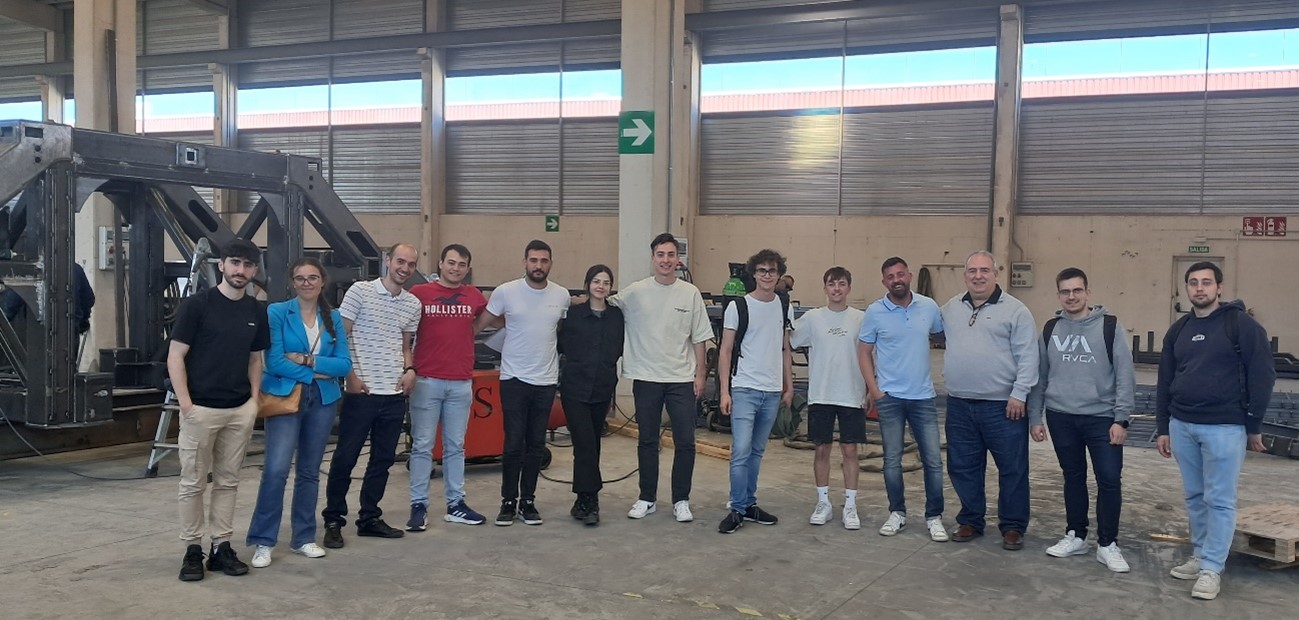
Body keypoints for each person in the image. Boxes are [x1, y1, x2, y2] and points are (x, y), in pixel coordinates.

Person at [1156, 261, 1275, 601]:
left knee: (1219, 499)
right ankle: (1200, 554)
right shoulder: (1178, 330)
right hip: (1183, 425)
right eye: (1193, 282)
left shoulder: (1242, 326)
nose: (1199, 288)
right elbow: (1165, 380)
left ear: (1219, 287)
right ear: (1186, 288)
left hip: (1224, 427)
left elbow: (1263, 375)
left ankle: (1212, 568)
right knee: (1195, 496)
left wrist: (1253, 425)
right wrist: (1164, 426)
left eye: (1206, 282)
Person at [167, 238, 269, 582]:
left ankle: (221, 547)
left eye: (248, 265)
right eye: (235, 263)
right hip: (201, 410)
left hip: (238, 410)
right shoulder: (198, 305)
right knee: (193, 483)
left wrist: (253, 401)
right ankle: (192, 550)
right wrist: (186, 405)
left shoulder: (256, 311)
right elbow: (176, 356)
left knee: (228, 482)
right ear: (222, 265)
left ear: (254, 270)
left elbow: (255, 359)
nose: (241, 270)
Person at [1027, 267, 1136, 573]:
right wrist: (1036, 417)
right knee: (1073, 477)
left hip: (1102, 418)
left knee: (1109, 479)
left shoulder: (1110, 327)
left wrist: (1121, 419)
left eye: (1077, 290)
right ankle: (1076, 535)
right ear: (1058, 295)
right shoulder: (1051, 329)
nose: (1071, 296)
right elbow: (1040, 377)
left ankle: (1107, 544)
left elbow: (1125, 376)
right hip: (1061, 417)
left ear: (1088, 293)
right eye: (1065, 291)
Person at [246, 258, 352, 568]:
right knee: (276, 469)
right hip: (285, 397)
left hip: (323, 400)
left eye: (313, 277)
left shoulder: (333, 317)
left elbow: (344, 364)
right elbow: (275, 361)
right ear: (293, 282)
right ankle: (264, 541)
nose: (307, 283)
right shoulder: (277, 312)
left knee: (309, 471)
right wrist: (315, 373)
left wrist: (307, 361)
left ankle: (304, 537)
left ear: (322, 281)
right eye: (301, 278)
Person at [321, 243, 422, 548]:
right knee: (346, 458)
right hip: (362, 392)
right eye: (400, 261)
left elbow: (405, 345)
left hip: (394, 393)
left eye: (411, 264)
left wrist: (410, 369)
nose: (405, 268)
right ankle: (334, 520)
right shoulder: (360, 292)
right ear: (387, 261)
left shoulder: (412, 304)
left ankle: (369, 518)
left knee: (382, 460)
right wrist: (350, 377)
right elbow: (341, 336)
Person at [939, 250, 1038, 550]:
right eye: (972, 271)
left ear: (996, 274)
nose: (978, 276)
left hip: (1003, 407)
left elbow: (1028, 356)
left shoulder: (1016, 311)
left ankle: (1013, 526)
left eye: (984, 270)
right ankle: (971, 520)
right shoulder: (950, 309)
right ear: (965, 275)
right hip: (959, 404)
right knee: (963, 466)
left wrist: (1019, 393)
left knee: (1012, 468)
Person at [612, 233, 713, 523]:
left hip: (681, 379)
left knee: (686, 442)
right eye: (660, 254)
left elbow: (700, 338)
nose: (665, 260)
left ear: (677, 259)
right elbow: (603, 305)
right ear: (652, 258)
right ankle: (647, 498)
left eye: (670, 255)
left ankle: (681, 500)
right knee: (647, 440)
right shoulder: (635, 292)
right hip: (646, 378)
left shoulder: (690, 293)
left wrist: (700, 375)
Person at [476, 240, 571, 526]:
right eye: (533, 260)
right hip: (514, 380)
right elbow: (480, 324)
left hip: (545, 381)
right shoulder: (506, 292)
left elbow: (559, 329)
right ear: (524, 262)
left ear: (550, 263)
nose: (538, 265)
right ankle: (508, 502)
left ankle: (528, 501)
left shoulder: (562, 296)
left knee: (535, 444)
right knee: (513, 443)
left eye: (543, 260)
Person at [858, 257, 948, 541]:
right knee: (891, 461)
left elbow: (944, 337)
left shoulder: (929, 307)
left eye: (900, 274)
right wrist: (875, 391)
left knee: (933, 461)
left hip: (923, 397)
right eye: (890, 276)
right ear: (884, 282)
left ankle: (934, 516)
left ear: (909, 276)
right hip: (890, 399)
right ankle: (897, 512)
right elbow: (864, 352)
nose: (896, 280)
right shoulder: (875, 312)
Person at [405, 244, 489, 532]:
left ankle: (456, 504)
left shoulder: (474, 296)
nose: (456, 268)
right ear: (440, 264)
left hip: (460, 382)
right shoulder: (420, 294)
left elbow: (491, 317)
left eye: (461, 264)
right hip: (427, 381)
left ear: (468, 268)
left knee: (455, 446)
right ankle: (418, 505)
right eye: (451, 262)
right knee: (422, 446)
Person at [717, 249, 794, 534]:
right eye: (762, 270)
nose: (767, 275)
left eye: (772, 271)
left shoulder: (784, 306)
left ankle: (749, 504)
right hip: (745, 388)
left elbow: (785, 348)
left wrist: (789, 385)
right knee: (740, 451)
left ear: (779, 274)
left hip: (772, 391)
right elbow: (725, 350)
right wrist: (724, 392)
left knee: (757, 452)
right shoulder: (738, 307)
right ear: (754, 273)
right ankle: (737, 508)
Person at [791, 267, 866, 530]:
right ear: (825, 288)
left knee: (850, 450)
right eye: (832, 284)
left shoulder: (860, 319)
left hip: (851, 394)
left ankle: (850, 505)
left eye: (841, 284)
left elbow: (871, 354)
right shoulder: (813, 318)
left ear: (849, 288)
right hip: (821, 394)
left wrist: (871, 389)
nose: (836, 289)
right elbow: (789, 339)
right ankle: (823, 503)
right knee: (822, 449)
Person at [558, 264, 624, 526]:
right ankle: (592, 501)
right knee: (585, 443)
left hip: (602, 389)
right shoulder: (573, 315)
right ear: (587, 284)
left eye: (606, 282)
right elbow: (561, 345)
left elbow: (619, 347)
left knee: (591, 445)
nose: (601, 286)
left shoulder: (617, 316)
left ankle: (581, 500)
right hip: (575, 389)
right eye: (596, 281)